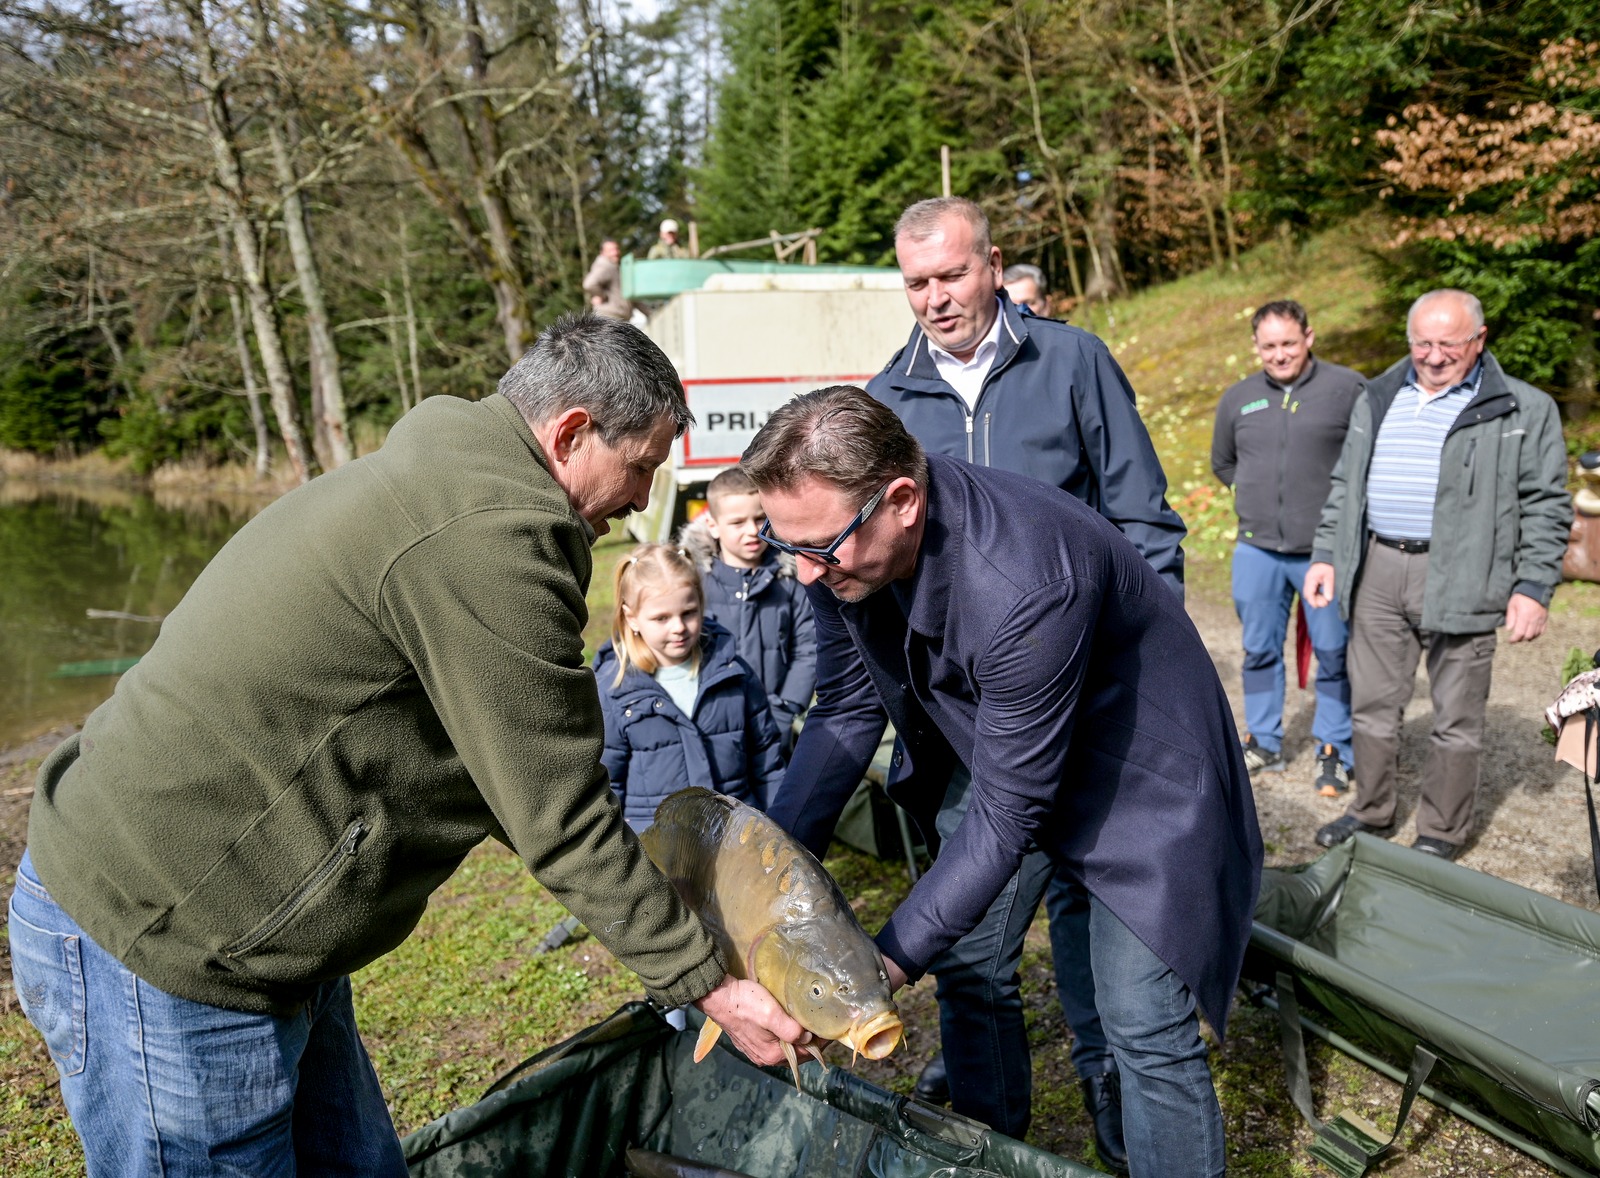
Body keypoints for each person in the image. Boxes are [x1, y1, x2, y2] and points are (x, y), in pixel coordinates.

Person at [8, 314, 811, 1174]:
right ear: (572, 432)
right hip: (166, 938)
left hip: (271, 933)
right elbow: (558, 818)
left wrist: (667, 913)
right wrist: (709, 982)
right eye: (641, 465)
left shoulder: (463, 478)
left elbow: (524, 767)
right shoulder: (488, 537)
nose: (646, 497)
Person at [744, 385, 1262, 1178]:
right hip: (1005, 755)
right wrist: (766, 876)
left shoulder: (1025, 580)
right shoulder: (833, 549)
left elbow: (1008, 813)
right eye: (790, 549)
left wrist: (882, 965)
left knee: (1142, 1024)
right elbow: (846, 711)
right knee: (969, 960)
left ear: (902, 500)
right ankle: (988, 1158)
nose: (806, 576)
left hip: (1138, 782)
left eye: (819, 549)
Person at [864, 195, 1186, 1170]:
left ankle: (1119, 1128)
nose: (934, 299)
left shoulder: (1072, 361)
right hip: (977, 737)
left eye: (951, 275)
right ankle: (990, 1140)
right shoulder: (886, 401)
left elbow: (1146, 520)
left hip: (1099, 717)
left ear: (993, 265)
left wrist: (1143, 666)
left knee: (1103, 969)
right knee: (968, 954)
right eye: (916, 282)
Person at [1305, 289, 1571, 860]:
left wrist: (1531, 588)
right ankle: (1372, 812)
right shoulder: (1377, 395)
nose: (1432, 355)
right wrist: (1327, 553)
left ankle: (1440, 834)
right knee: (1371, 706)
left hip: (1465, 573)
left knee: (1456, 718)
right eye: (1421, 342)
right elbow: (1346, 485)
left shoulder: (1523, 409)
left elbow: (1548, 505)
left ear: (1479, 340)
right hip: (1376, 566)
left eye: (1448, 343)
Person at [1211, 299, 1364, 794]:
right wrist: (1256, 500)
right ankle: (1264, 741)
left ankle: (1335, 748)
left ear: (1309, 338)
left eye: (1289, 344)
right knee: (1258, 649)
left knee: (1334, 651)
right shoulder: (1238, 398)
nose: (1279, 355)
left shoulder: (1347, 390)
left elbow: (1365, 467)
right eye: (1269, 346)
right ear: (1256, 346)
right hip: (1257, 550)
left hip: (1324, 554)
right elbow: (1224, 463)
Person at [596, 542, 786, 830]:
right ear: (631, 618)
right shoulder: (614, 690)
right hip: (657, 851)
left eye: (688, 612)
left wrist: (777, 827)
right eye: (661, 618)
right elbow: (607, 784)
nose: (678, 627)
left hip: (735, 838)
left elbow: (766, 758)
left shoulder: (734, 673)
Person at [679, 466, 817, 757]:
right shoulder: (693, 581)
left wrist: (786, 708)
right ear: (713, 525)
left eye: (759, 518)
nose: (752, 531)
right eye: (737, 522)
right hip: (707, 723)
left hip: (773, 720)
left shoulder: (791, 578)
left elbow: (808, 647)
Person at [583, 238, 633, 320]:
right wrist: (603, 295)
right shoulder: (605, 266)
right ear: (602, 253)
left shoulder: (614, 267)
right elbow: (589, 284)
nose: (615, 253)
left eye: (616, 249)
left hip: (616, 317)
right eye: (610, 250)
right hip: (609, 316)